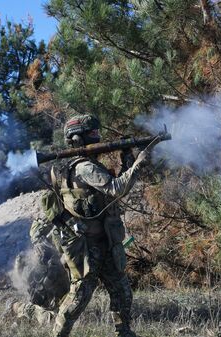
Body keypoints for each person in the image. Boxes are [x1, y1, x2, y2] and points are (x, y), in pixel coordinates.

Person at [50, 114, 149, 337]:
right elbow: (116, 189)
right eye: (92, 134)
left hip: (104, 242)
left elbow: (112, 192)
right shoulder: (85, 168)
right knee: (78, 299)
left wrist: (127, 161)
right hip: (87, 247)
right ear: (77, 139)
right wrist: (141, 159)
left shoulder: (79, 166)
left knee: (122, 291)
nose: (98, 137)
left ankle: (124, 332)